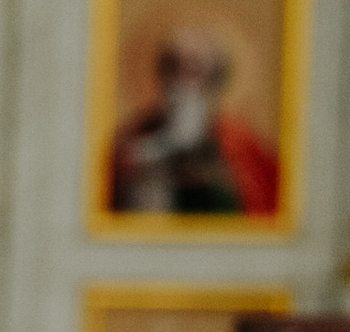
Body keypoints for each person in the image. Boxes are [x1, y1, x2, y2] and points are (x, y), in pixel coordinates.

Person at [106, 27, 279, 218]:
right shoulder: (139, 132)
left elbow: (262, 198)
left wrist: (212, 175)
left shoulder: (239, 139)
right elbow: (110, 185)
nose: (183, 79)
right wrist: (158, 150)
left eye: (196, 69)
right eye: (174, 66)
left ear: (214, 78)